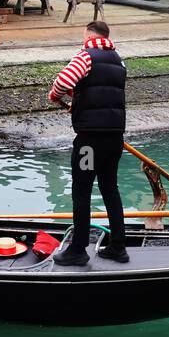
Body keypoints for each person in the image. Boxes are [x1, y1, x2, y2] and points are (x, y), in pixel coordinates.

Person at [47, 19, 129, 266]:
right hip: (114, 138)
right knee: (110, 189)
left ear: (90, 36)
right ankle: (118, 247)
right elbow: (103, 92)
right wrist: (78, 100)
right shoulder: (120, 62)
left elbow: (63, 82)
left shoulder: (85, 57)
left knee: (81, 191)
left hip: (89, 141)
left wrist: (56, 97)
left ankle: (78, 249)